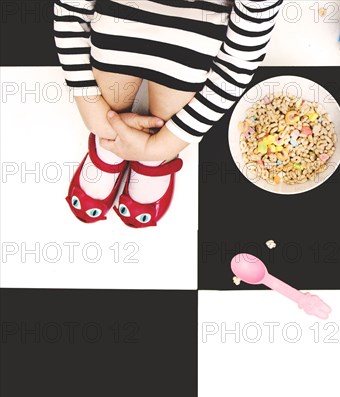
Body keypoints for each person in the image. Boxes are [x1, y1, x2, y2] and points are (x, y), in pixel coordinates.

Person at [54, 0, 282, 227]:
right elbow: (71, 10)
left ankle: (146, 148)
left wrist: (167, 143)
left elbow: (239, 58)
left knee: (190, 49)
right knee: (118, 32)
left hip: (197, 23)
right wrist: (90, 103)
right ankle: (114, 139)